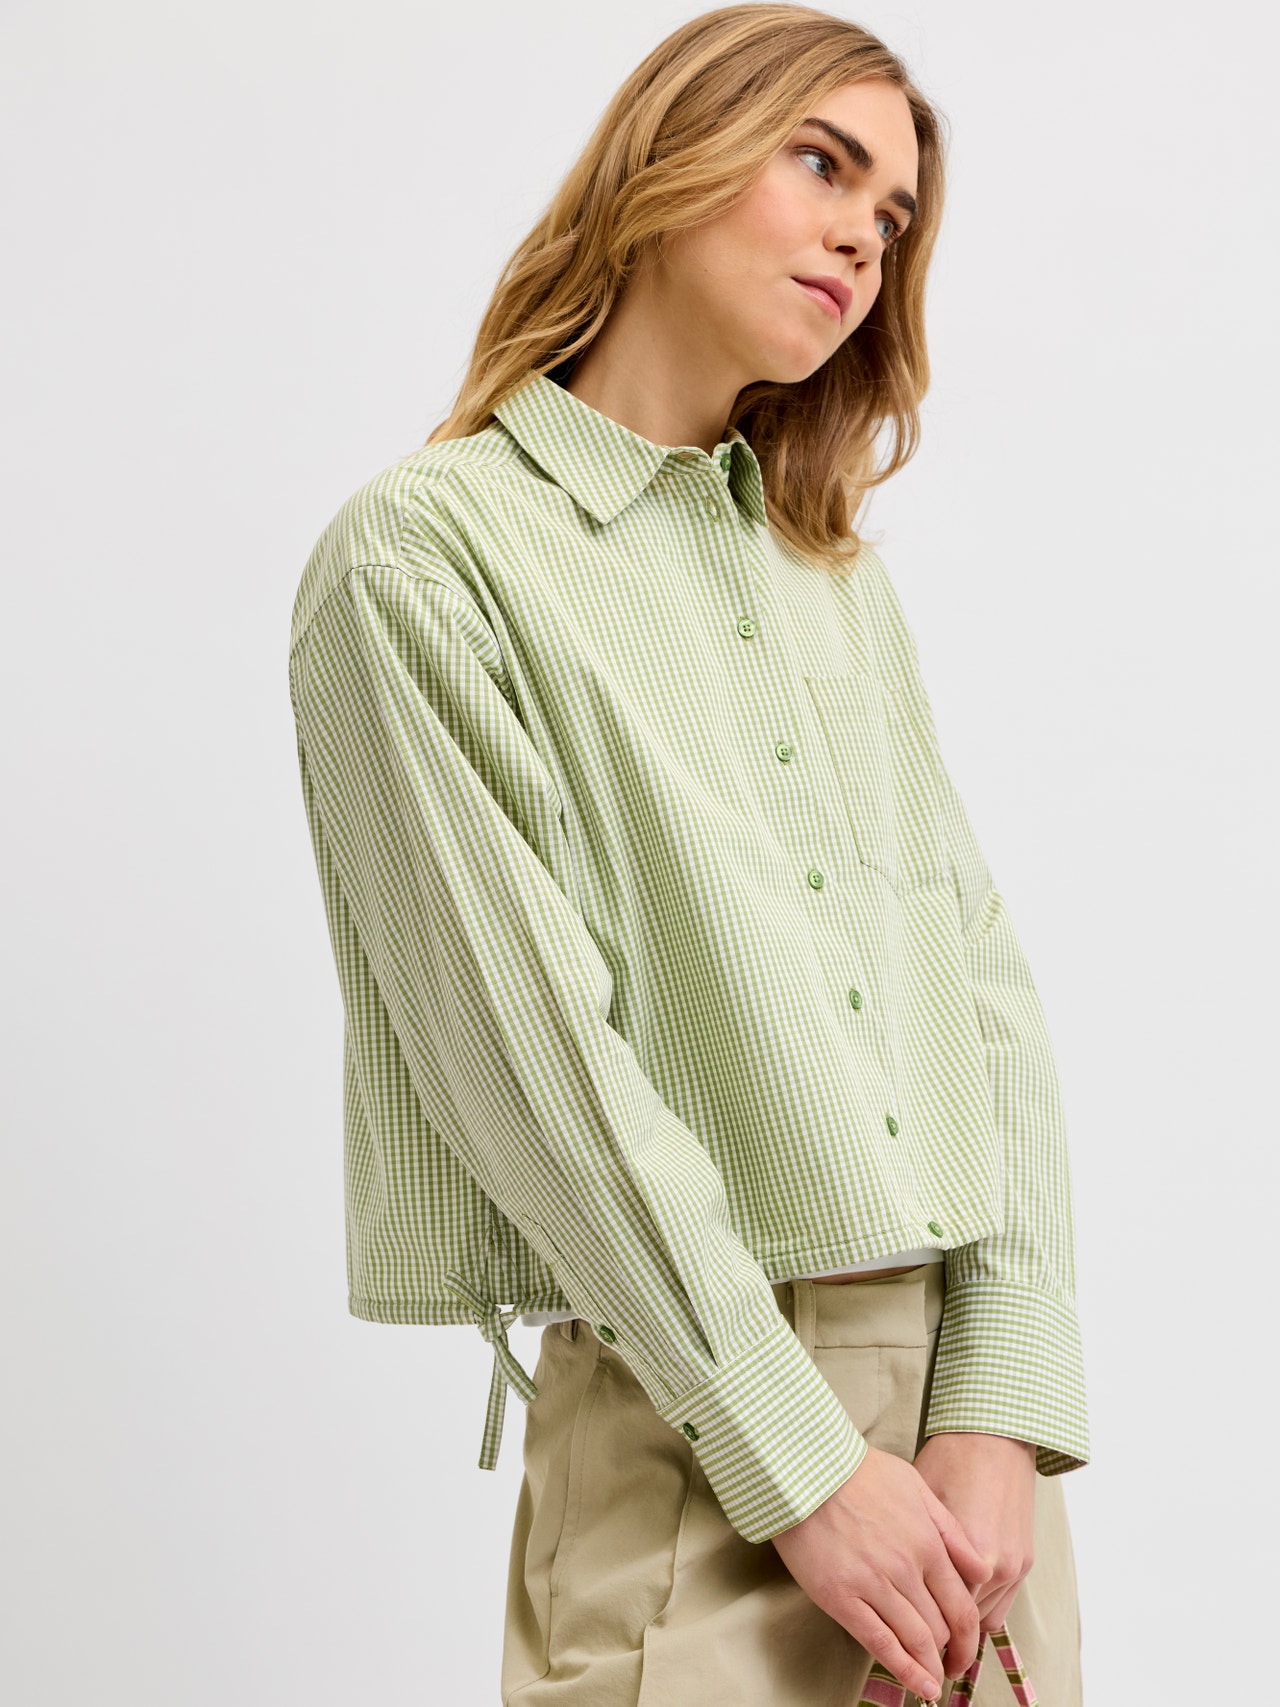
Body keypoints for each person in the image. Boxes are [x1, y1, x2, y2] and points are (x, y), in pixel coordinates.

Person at [286, 5, 1090, 1702]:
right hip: (698, 1425)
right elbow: (530, 1063)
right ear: (670, 157)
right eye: (825, 166)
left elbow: (985, 992)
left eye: (895, 219)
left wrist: (1003, 1403)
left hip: (968, 1472)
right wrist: (798, 1462)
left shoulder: (830, 578)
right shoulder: (425, 563)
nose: (864, 241)